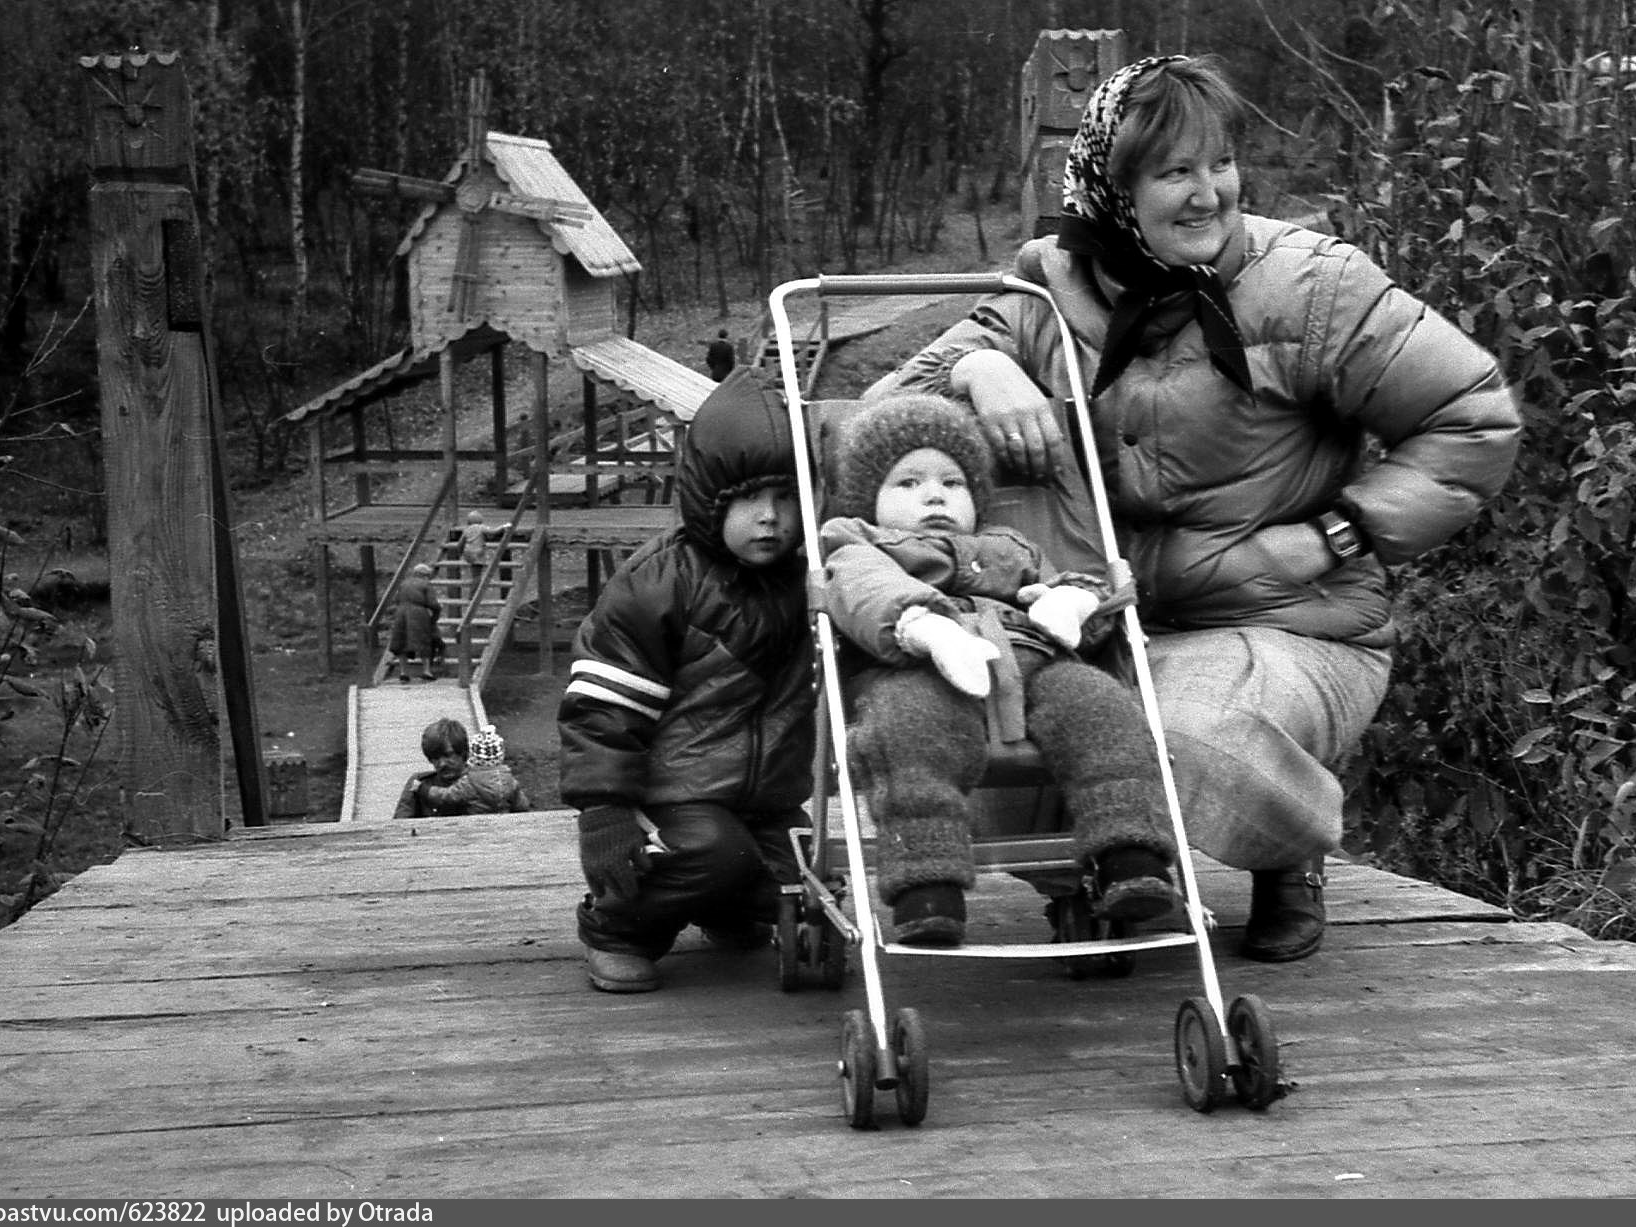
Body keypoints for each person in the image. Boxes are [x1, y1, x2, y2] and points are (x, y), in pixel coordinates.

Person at [867, 54, 1522, 963]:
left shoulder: (1309, 287)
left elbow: (1473, 417)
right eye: (1175, 172)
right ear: (1110, 188)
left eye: (1220, 163)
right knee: (987, 735)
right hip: (1097, 627)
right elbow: (876, 421)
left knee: (1182, 740)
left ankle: (1287, 853)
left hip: (1283, 622)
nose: (1209, 193)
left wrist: (1336, 532)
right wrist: (978, 366)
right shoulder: (1040, 292)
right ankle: (1104, 873)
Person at [821, 393, 1178, 947]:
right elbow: (865, 591)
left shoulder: (1010, 547)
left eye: (952, 482)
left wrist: (1071, 603)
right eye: (908, 483)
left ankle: (1130, 854)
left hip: (1033, 659)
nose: (934, 494)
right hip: (915, 667)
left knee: (1100, 706)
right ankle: (926, 885)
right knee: (908, 732)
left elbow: (1067, 589)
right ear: (871, 498)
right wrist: (926, 626)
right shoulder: (856, 540)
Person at [556, 366, 815, 993]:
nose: (770, 519)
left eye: (786, 498)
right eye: (749, 499)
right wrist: (605, 810)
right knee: (713, 852)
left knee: (811, 876)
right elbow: (602, 704)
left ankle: (728, 907)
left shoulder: (812, 580)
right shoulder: (664, 582)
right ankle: (619, 928)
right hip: (676, 793)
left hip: (768, 800)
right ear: (709, 497)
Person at [392, 717, 474, 819]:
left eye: (448, 755)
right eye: (435, 758)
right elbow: (400, 824)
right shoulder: (419, 783)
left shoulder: (479, 782)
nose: (442, 764)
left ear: (463, 753)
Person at [446, 724, 533, 814]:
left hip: (477, 822)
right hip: (503, 822)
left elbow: (448, 796)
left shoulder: (467, 782)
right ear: (501, 756)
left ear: (472, 757)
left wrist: (431, 791)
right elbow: (522, 805)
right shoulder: (509, 781)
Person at [386, 562, 444, 682]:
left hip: (401, 613)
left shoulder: (404, 583)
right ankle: (426, 671)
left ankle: (403, 672)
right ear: (424, 575)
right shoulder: (426, 585)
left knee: (401, 641)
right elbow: (432, 604)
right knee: (424, 640)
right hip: (418, 614)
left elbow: (397, 599)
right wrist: (435, 615)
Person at [459, 510, 511, 602]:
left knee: (475, 574)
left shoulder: (466, 529)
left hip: (468, 554)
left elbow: (460, 543)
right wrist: (503, 527)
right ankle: (472, 595)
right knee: (477, 577)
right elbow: (493, 532)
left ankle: (473, 593)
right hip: (478, 554)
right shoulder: (481, 527)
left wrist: (460, 553)